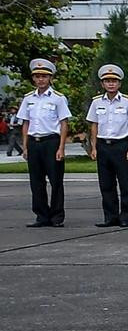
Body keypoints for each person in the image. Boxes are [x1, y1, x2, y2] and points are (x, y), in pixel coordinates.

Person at [85, 63, 128, 228]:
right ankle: (110, 216)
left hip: (121, 145)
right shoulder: (96, 102)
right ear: (102, 84)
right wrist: (93, 147)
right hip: (103, 145)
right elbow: (93, 125)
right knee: (106, 184)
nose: (111, 84)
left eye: (114, 81)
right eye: (107, 81)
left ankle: (125, 217)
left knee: (125, 184)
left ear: (119, 83)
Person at [19, 58, 71, 228]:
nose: (40, 79)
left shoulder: (58, 98)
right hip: (34, 142)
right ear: (33, 79)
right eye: (37, 76)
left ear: (50, 78)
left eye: (44, 76)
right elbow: (26, 123)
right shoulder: (28, 98)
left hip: (51, 141)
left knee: (56, 180)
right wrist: (25, 146)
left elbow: (64, 123)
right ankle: (41, 215)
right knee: (36, 181)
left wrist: (61, 147)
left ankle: (56, 216)